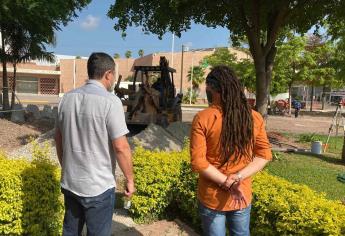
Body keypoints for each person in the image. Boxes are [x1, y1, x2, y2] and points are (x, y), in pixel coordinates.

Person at [55, 52, 135, 236]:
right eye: (113, 75)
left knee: (70, 232)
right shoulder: (111, 102)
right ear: (108, 74)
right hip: (98, 187)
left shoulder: (66, 99)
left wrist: (67, 167)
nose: (113, 79)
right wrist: (129, 179)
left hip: (71, 183)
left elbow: (58, 139)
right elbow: (121, 147)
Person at [190, 66, 272, 236]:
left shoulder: (203, 118)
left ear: (213, 89)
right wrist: (237, 178)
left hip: (212, 196)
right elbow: (264, 155)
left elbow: (199, 161)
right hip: (242, 193)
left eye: (208, 88)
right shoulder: (254, 117)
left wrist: (225, 182)